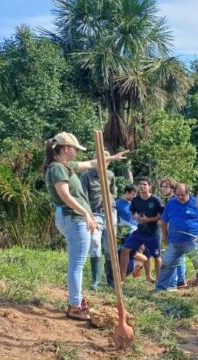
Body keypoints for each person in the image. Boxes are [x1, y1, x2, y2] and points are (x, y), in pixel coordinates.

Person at [43, 132, 127, 320]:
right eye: (75, 149)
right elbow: (65, 196)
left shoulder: (65, 166)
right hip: (73, 218)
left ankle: (77, 300)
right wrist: (86, 213)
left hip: (73, 217)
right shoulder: (57, 168)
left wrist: (111, 158)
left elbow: (90, 164)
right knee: (77, 263)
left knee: (77, 262)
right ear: (65, 149)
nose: (77, 152)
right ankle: (75, 306)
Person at [155, 183, 198, 292]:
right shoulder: (171, 204)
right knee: (166, 264)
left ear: (188, 192)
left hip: (193, 242)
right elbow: (163, 221)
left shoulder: (197, 203)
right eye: (178, 195)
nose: (180, 197)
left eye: (182, 194)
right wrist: (165, 236)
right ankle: (160, 289)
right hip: (174, 241)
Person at [79, 150, 117, 290]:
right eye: (101, 161)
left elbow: (113, 191)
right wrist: (89, 215)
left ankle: (111, 280)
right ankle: (95, 280)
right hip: (95, 214)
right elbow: (83, 197)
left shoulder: (110, 175)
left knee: (110, 247)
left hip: (110, 213)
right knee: (95, 243)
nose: (104, 164)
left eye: (107, 161)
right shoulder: (86, 176)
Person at [120, 177, 163, 283]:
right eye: (140, 184)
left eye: (144, 184)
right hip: (140, 231)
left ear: (149, 187)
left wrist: (149, 219)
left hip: (153, 232)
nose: (142, 186)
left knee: (156, 256)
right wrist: (137, 218)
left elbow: (161, 216)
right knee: (125, 250)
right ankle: (122, 278)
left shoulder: (155, 200)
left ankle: (159, 281)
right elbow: (132, 213)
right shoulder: (135, 200)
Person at [159, 178, 187, 289]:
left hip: (177, 231)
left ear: (172, 188)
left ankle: (174, 282)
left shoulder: (175, 200)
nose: (163, 189)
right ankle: (180, 280)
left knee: (174, 255)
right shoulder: (168, 201)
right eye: (162, 186)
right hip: (172, 231)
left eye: (166, 186)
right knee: (179, 255)